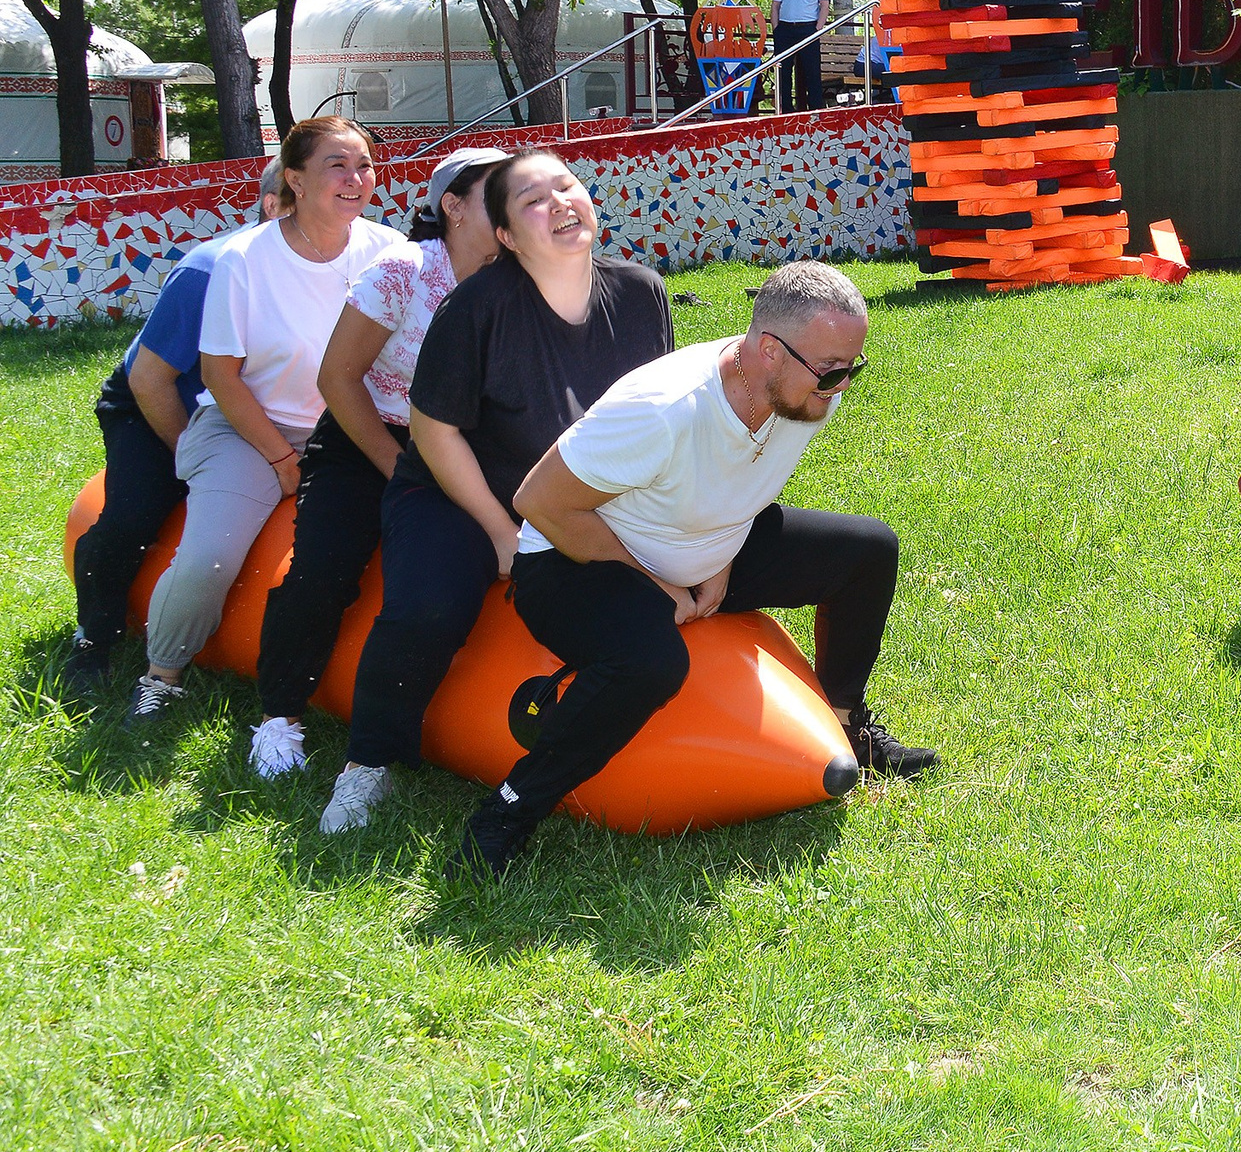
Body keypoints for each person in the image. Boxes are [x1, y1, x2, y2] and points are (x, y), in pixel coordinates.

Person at [452, 261, 933, 877]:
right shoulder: (664, 408)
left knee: (868, 552)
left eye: (852, 368)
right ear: (769, 351)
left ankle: (846, 726)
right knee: (651, 663)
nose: (840, 386)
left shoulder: (804, 393)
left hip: (699, 545)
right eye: (831, 370)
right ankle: (509, 811)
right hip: (573, 560)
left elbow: (740, 482)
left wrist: (724, 555)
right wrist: (658, 584)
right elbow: (540, 502)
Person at [317, 149, 672, 835]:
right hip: (457, 490)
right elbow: (433, 428)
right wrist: (500, 531)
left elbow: (652, 418)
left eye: (566, 185)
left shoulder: (639, 292)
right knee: (427, 607)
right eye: (534, 200)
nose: (559, 203)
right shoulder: (476, 303)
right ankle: (369, 760)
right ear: (505, 235)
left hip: (571, 498)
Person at [122, 118, 406, 728]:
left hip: (353, 430)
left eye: (364, 164)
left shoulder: (389, 250)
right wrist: (281, 458)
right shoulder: (244, 259)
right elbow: (220, 376)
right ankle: (162, 675)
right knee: (209, 559)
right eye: (337, 165)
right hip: (248, 428)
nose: (356, 178)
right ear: (295, 180)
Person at [246, 147, 510, 780]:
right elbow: (338, 378)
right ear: (453, 206)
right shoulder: (405, 270)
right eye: (499, 192)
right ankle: (279, 716)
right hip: (367, 438)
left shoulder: (519, 276)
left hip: (463, 449)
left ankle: (403, 735)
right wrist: (397, 467)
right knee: (323, 569)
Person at [62, 162, 289, 695]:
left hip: (251, 417)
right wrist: (190, 460)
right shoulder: (209, 271)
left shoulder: (342, 264)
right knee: (135, 513)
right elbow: (149, 381)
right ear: (273, 205)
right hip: (158, 407)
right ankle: (94, 639)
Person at [771, 0, 833, 115]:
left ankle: (815, 110)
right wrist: (776, 29)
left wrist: (818, 29)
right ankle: (786, 110)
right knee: (783, 71)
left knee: (811, 71)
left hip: (808, 29)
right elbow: (775, 6)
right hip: (785, 29)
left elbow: (824, 5)